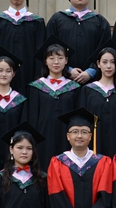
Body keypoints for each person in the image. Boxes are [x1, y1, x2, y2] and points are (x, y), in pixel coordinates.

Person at [24, 36, 82, 170]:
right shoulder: (36, 87)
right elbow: (32, 117)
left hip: (67, 137)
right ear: (45, 61)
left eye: (60, 58)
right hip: (42, 137)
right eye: (51, 58)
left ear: (66, 61)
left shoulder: (74, 88)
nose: (56, 62)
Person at [46, 0, 111, 84]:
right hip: (62, 79)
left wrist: (91, 72)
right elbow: (49, 48)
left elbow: (105, 49)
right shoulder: (57, 19)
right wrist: (68, 69)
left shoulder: (100, 21)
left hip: (93, 81)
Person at [79, 41, 116, 157]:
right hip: (93, 146)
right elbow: (82, 121)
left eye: (113, 62)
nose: (108, 66)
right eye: (105, 62)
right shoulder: (88, 90)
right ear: (98, 64)